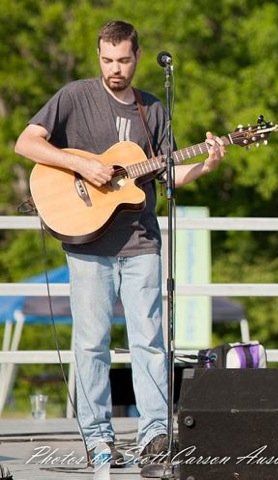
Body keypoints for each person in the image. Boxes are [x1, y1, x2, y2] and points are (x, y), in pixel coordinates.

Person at [14, 20, 226, 469]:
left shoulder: (152, 109)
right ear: (99, 57)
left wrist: (205, 165)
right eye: (108, 60)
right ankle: (98, 439)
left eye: (124, 60)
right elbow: (26, 143)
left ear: (138, 57)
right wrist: (81, 165)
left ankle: (154, 434)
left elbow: (170, 173)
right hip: (87, 242)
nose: (116, 69)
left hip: (141, 240)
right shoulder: (74, 97)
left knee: (149, 339)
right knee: (90, 342)